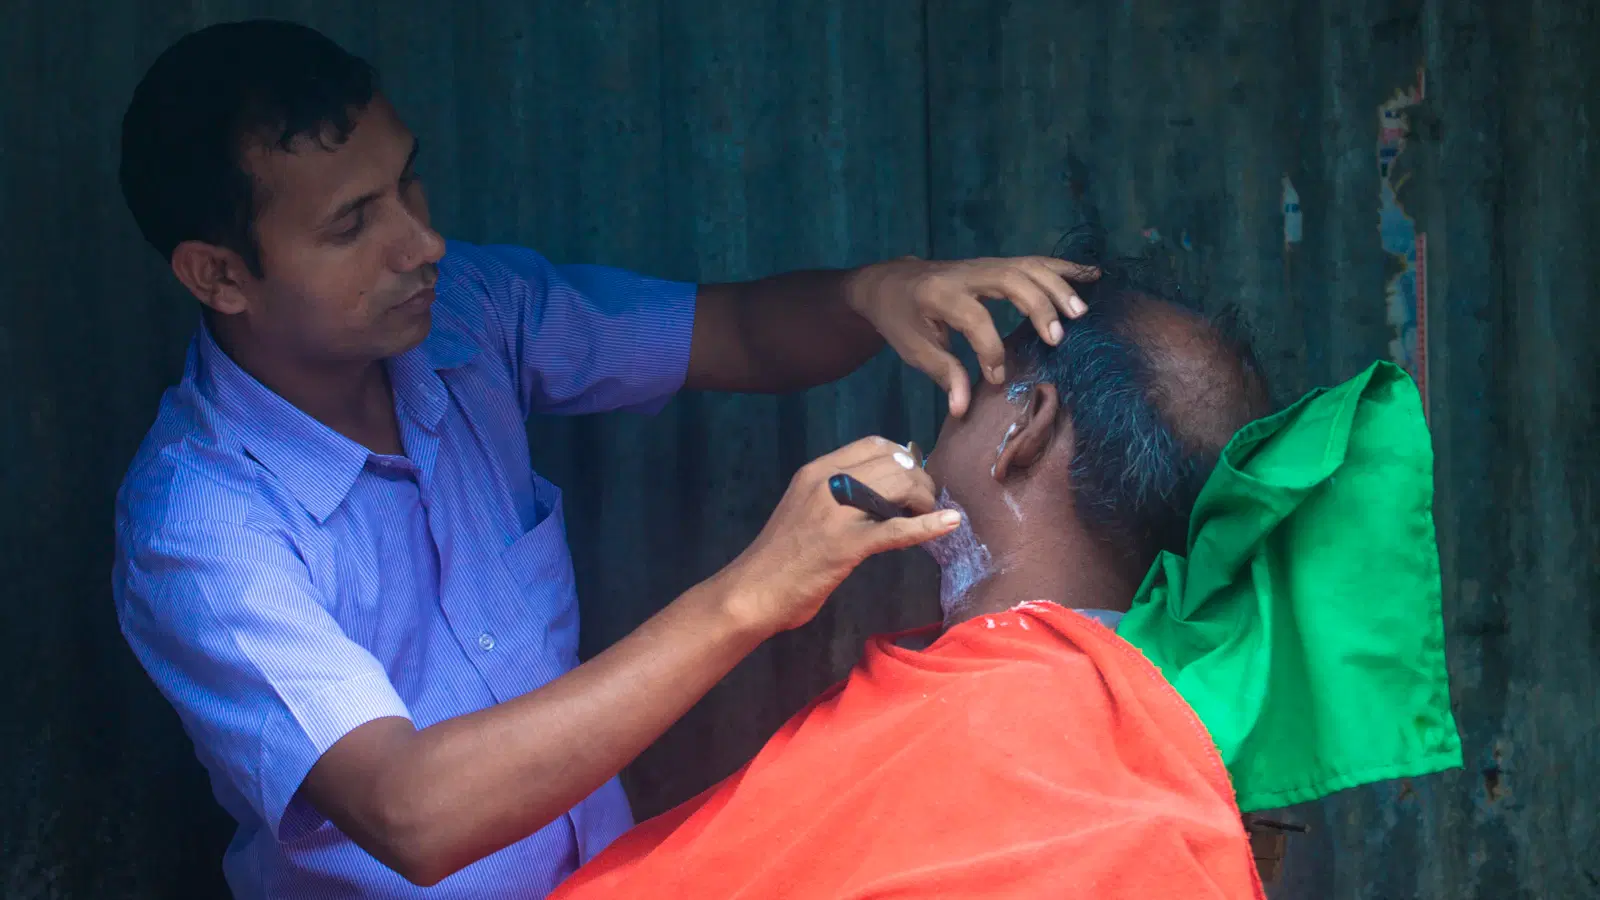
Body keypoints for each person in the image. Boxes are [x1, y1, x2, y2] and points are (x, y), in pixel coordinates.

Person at [109, 18, 1107, 899]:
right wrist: (753, 591)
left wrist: (873, 292)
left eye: (407, 179)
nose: (422, 242)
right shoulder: (201, 530)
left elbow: (739, 334)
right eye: (351, 224)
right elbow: (411, 814)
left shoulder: (467, 320)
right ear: (220, 276)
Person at [549, 236, 1463, 898]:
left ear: (1022, 429)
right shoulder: (1160, 785)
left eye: (972, 391)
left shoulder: (993, 732)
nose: (941, 412)